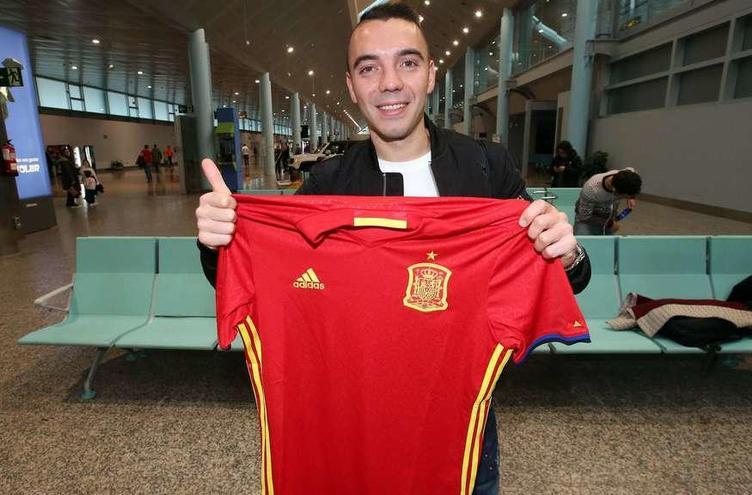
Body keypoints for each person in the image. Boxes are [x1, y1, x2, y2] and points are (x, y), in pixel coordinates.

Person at [195, 4, 590, 494]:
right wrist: (221, 239)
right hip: (350, 428)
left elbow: (562, 275)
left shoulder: (485, 168)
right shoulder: (328, 182)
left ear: (429, 74)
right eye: (369, 68)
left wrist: (564, 249)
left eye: (406, 62)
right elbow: (269, 277)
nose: (389, 83)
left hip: (458, 429)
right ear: (351, 85)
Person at [574, 168, 642, 235]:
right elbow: (584, 216)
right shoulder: (591, 189)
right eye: (625, 196)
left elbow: (632, 172)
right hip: (587, 219)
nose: (626, 198)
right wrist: (609, 224)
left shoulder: (629, 173)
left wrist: (632, 197)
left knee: (609, 243)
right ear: (614, 190)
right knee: (583, 242)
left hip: (608, 215)